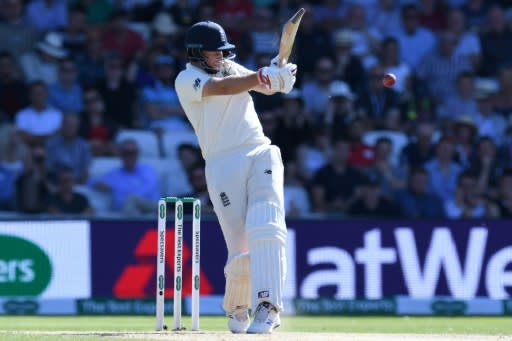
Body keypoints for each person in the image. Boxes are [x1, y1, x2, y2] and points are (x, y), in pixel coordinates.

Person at [174, 21, 296, 334]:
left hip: (259, 152)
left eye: (222, 52)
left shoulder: (229, 67)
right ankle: (237, 308)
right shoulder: (187, 79)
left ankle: (268, 307)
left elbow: (262, 85)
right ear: (197, 53)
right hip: (221, 163)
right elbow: (224, 89)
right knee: (241, 250)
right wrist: (262, 76)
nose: (220, 57)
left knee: (266, 227)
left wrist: (279, 76)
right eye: (215, 52)